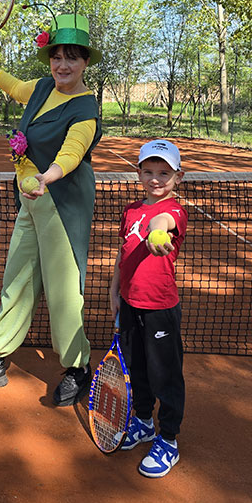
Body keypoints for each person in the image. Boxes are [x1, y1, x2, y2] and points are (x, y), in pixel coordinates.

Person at [0, 10, 102, 406]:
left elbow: (73, 152)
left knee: (63, 291)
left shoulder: (85, 108)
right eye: (57, 57)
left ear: (85, 62)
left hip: (62, 205)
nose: (62, 65)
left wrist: (47, 177)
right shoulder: (42, 87)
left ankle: (77, 367)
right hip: (31, 200)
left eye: (72, 58)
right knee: (16, 277)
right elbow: (14, 86)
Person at [109, 139, 188, 478]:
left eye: (164, 173)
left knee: (164, 374)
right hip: (129, 303)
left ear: (178, 177)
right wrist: (114, 290)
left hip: (159, 308)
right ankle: (143, 422)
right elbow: (123, 252)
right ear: (139, 173)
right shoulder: (130, 211)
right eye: (149, 171)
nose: (156, 179)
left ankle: (168, 439)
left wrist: (157, 233)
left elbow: (162, 223)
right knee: (137, 368)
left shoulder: (175, 211)